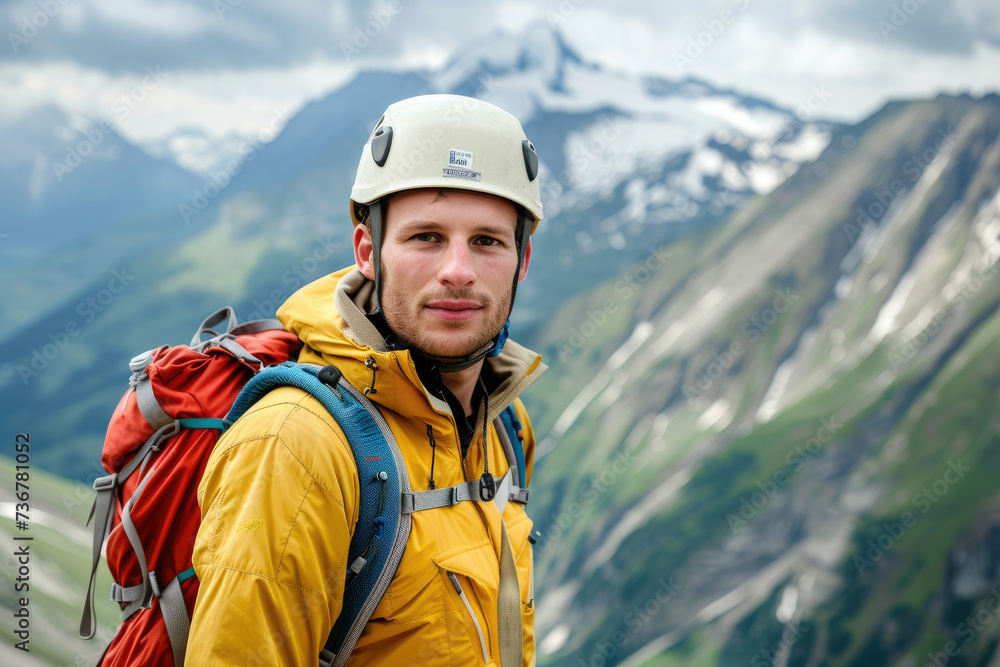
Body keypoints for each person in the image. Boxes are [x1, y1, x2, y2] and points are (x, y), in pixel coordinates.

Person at [186, 94, 547, 666]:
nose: (458, 270)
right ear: (368, 253)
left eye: (487, 241)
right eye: (425, 236)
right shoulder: (295, 445)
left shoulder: (501, 423)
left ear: (521, 260)